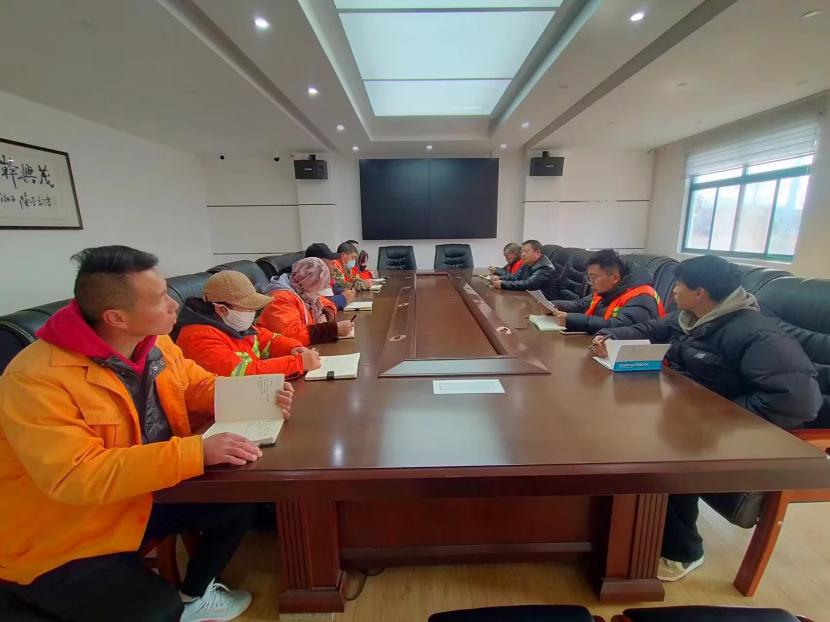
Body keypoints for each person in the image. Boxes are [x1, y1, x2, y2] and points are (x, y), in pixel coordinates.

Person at [0, 245, 295, 622]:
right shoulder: (35, 378)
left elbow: (198, 386)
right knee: (157, 611)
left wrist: (264, 396)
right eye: (159, 299)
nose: (174, 305)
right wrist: (196, 452)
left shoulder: (156, 344)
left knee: (241, 497)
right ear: (116, 317)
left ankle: (195, 595)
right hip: (66, 530)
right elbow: (76, 476)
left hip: (145, 492)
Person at [590, 254, 821, 582]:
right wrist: (611, 337)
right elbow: (651, 328)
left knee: (660, 450)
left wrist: (720, 414)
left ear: (700, 292)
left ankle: (682, 551)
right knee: (615, 424)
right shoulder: (691, 316)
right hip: (689, 407)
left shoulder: (756, 333)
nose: (672, 291)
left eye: (679, 286)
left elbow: (798, 401)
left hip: (731, 425)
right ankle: (622, 520)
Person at [175, 270, 321, 377]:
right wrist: (297, 363)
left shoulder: (232, 323)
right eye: (248, 308)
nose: (253, 312)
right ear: (222, 309)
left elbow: (268, 339)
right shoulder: (198, 338)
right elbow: (242, 376)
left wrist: (294, 348)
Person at [546, 249, 664, 334]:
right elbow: (581, 304)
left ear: (615, 278)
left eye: (594, 277)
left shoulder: (642, 297)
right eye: (589, 278)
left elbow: (618, 326)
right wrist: (552, 305)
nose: (590, 283)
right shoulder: (607, 290)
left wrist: (570, 319)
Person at [258, 257, 354, 345]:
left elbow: (329, 304)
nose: (319, 294)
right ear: (307, 284)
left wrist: (324, 315)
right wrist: (332, 330)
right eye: (317, 290)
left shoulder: (306, 292)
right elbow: (291, 335)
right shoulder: (281, 299)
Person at [491, 239, 558, 299]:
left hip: (548, 302)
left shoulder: (544, 268)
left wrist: (503, 284)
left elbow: (529, 284)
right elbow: (516, 277)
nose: (522, 255)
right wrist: (499, 278)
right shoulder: (527, 263)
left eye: (526, 251)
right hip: (532, 298)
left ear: (537, 252)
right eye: (521, 252)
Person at [304, 242, 353, 310]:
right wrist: (343, 299)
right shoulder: (308, 280)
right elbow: (320, 303)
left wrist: (342, 291)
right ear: (318, 263)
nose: (332, 264)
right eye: (329, 260)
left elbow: (330, 288)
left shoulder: (322, 277)